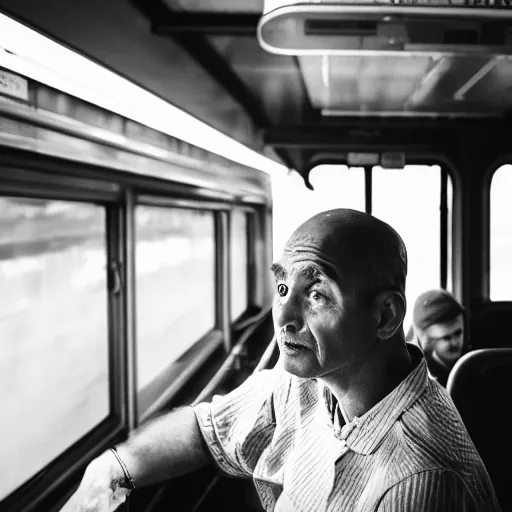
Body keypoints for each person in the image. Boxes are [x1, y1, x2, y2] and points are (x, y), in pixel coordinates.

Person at [60, 209, 499, 512]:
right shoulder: (307, 381)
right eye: (284, 289)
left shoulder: (422, 480)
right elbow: (205, 429)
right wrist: (110, 469)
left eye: (317, 295)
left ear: (385, 317)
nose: (284, 318)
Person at [412, 289, 465, 387]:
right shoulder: (416, 380)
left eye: (458, 333)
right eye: (446, 338)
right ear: (425, 341)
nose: (455, 342)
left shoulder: (472, 363)